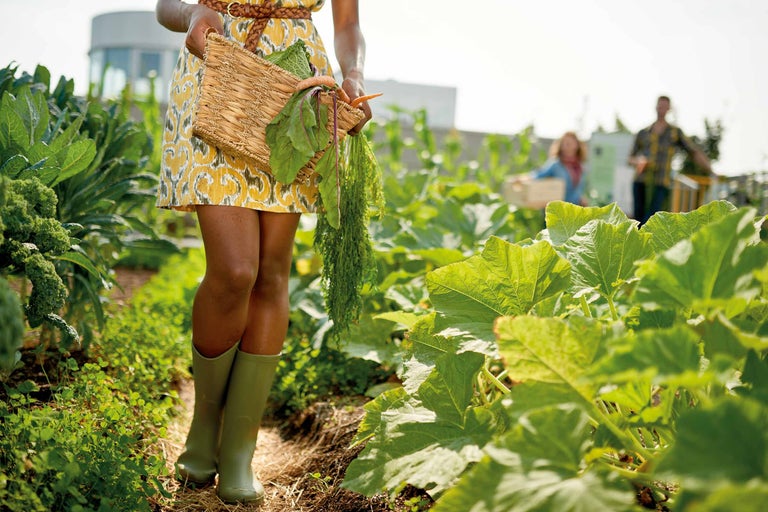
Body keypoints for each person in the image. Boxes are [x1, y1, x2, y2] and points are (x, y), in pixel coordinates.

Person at [154, 0, 372, 504]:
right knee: (234, 271)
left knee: (271, 275)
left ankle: (238, 451)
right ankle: (203, 426)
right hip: (220, 73)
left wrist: (353, 74)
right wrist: (191, 17)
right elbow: (166, 5)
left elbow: (348, 23)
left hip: (295, 93)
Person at [628, 95, 713, 224]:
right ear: (656, 107)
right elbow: (630, 158)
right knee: (637, 220)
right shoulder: (643, 132)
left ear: (669, 109)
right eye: (659, 105)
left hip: (661, 182)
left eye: (665, 106)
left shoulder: (674, 132)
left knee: (652, 219)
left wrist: (710, 170)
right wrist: (639, 161)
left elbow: (693, 151)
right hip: (640, 181)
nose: (661, 108)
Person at [532, 131, 588, 205]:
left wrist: (581, 198)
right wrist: (522, 179)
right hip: (557, 211)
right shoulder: (555, 164)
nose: (566, 146)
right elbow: (537, 175)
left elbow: (579, 190)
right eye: (564, 143)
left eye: (569, 143)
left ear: (577, 145)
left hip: (574, 210)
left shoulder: (580, 167)